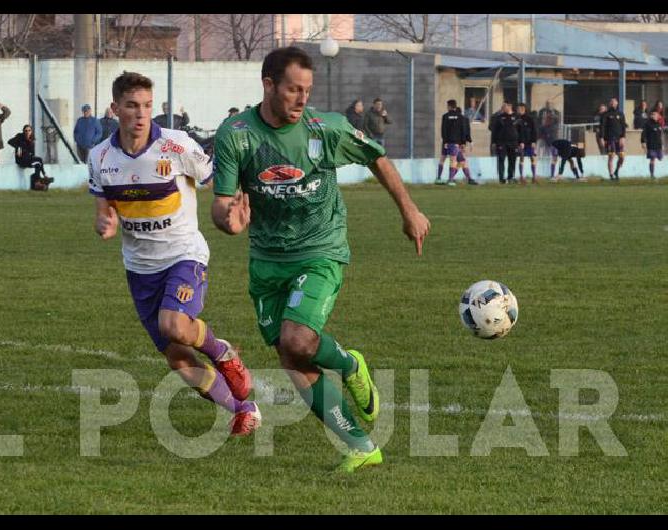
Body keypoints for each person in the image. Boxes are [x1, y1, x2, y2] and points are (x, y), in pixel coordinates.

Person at [211, 47, 430, 473]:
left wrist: (410, 211)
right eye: (293, 89)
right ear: (268, 84)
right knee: (291, 357)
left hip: (320, 248)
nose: (301, 99)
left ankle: (348, 364)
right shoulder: (235, 134)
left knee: (297, 341)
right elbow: (221, 205)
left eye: (307, 90)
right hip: (266, 258)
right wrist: (229, 221)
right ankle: (360, 445)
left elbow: (376, 156)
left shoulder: (324, 128)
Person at [89, 71, 260, 438]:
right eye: (132, 106)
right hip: (139, 269)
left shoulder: (177, 145)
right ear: (115, 108)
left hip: (184, 254)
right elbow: (105, 208)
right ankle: (241, 410)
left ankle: (224, 353)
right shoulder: (99, 157)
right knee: (178, 359)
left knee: (175, 325)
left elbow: (219, 180)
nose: (141, 114)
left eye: (147, 106)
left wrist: (235, 210)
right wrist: (105, 222)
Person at [8, 124, 53, 191]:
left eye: (29, 130)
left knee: (38, 162)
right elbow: (9, 142)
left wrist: (30, 152)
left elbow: (32, 153)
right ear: (23, 131)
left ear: (31, 131)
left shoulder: (31, 140)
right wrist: (18, 147)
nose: (27, 132)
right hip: (21, 160)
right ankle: (39, 181)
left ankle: (38, 182)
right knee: (38, 163)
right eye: (26, 131)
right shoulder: (20, 137)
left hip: (28, 159)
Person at [437, 99, 466, 186]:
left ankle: (438, 178)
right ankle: (450, 180)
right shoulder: (460, 117)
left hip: (446, 142)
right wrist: (463, 143)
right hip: (455, 142)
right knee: (453, 161)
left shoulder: (445, 116)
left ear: (449, 106)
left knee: (442, 159)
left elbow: (443, 129)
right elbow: (462, 130)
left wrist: (445, 141)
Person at [492, 101, 518, 183]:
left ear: (510, 106)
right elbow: (494, 130)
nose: (503, 108)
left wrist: (521, 141)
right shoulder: (499, 117)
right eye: (503, 106)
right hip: (502, 142)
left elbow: (521, 130)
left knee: (512, 160)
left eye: (505, 106)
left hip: (513, 142)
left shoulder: (516, 117)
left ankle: (510, 177)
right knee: (501, 160)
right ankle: (501, 178)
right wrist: (494, 142)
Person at [602, 97, 627, 180]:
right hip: (610, 138)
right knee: (611, 156)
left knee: (622, 157)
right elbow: (603, 127)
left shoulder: (621, 114)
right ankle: (611, 175)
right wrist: (603, 138)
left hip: (619, 138)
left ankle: (616, 171)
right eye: (611, 102)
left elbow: (623, 126)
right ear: (609, 104)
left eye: (614, 102)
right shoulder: (606, 114)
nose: (613, 103)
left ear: (617, 103)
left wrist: (623, 137)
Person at [515, 102, 538, 183]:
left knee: (533, 158)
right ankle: (521, 177)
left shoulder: (530, 119)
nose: (517, 110)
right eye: (517, 109)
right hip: (521, 143)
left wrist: (534, 141)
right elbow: (516, 132)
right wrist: (519, 142)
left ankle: (534, 177)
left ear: (523, 109)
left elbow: (534, 131)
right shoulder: (516, 120)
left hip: (529, 142)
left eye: (519, 109)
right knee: (521, 158)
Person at [456, 107, 477, 184]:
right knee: (462, 161)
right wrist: (469, 142)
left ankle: (469, 178)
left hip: (457, 144)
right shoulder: (465, 119)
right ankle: (469, 178)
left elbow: (464, 131)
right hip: (462, 144)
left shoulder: (457, 120)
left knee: (462, 161)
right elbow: (467, 132)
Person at [641, 109, 663, 179]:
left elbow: (660, 135)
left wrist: (662, 144)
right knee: (652, 159)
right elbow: (643, 134)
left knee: (660, 158)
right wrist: (643, 142)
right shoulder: (648, 124)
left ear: (658, 116)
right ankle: (652, 175)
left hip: (658, 145)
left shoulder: (659, 125)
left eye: (655, 114)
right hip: (651, 145)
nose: (653, 116)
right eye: (652, 114)